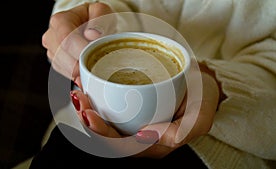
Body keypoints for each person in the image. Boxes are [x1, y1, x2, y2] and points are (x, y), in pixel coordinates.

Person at [30, 0, 276, 168]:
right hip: (90, 115)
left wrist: (216, 83)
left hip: (235, 133)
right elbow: (88, 6)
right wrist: (85, 21)